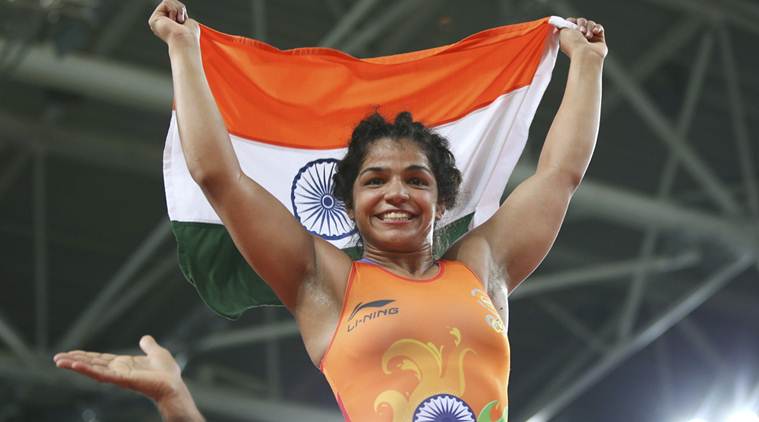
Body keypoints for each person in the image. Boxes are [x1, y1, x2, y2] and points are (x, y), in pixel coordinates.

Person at [54, 1, 607, 420]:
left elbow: (560, 175)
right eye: (375, 180)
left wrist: (587, 63)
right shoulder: (324, 280)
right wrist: (184, 50)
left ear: (440, 205)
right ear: (349, 205)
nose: (396, 192)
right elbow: (219, 177)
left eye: (417, 180)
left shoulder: (482, 266)